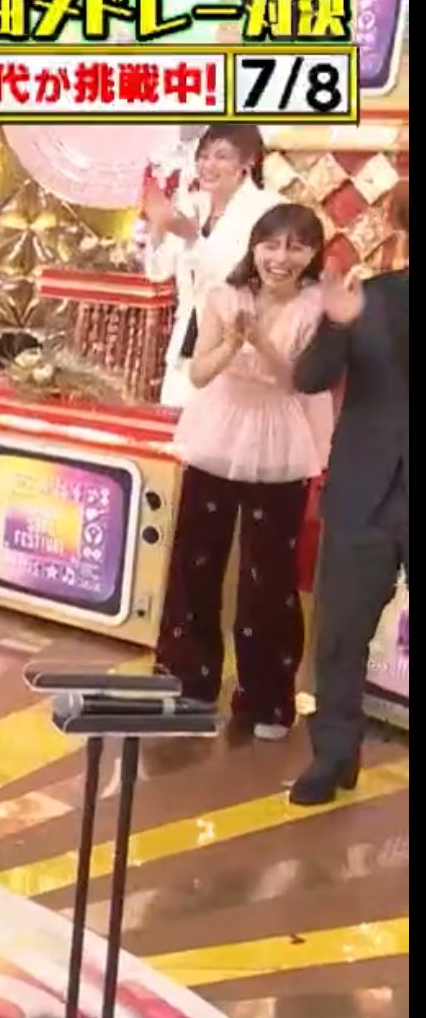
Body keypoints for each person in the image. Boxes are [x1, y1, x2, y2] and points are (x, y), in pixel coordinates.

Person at [156, 203, 336, 738]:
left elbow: (300, 382)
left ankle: (266, 700)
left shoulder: (318, 307)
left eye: (296, 247)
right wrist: (233, 342)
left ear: (312, 254)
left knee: (269, 575)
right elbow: (200, 373)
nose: (281, 258)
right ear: (254, 247)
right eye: (271, 245)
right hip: (217, 433)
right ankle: (189, 682)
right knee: (195, 562)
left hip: (280, 441)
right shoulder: (223, 296)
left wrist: (259, 341)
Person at [289, 185, 408, 806]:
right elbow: (309, 378)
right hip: (365, 490)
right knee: (339, 633)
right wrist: (334, 325)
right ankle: (333, 753)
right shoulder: (371, 297)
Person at [146, 123, 283, 409]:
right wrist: (159, 224)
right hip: (185, 352)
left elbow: (244, 279)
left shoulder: (270, 210)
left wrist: (191, 236)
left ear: (248, 161)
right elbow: (158, 271)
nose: (208, 165)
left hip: (236, 353)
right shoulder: (193, 204)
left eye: (221, 156)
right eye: (203, 156)